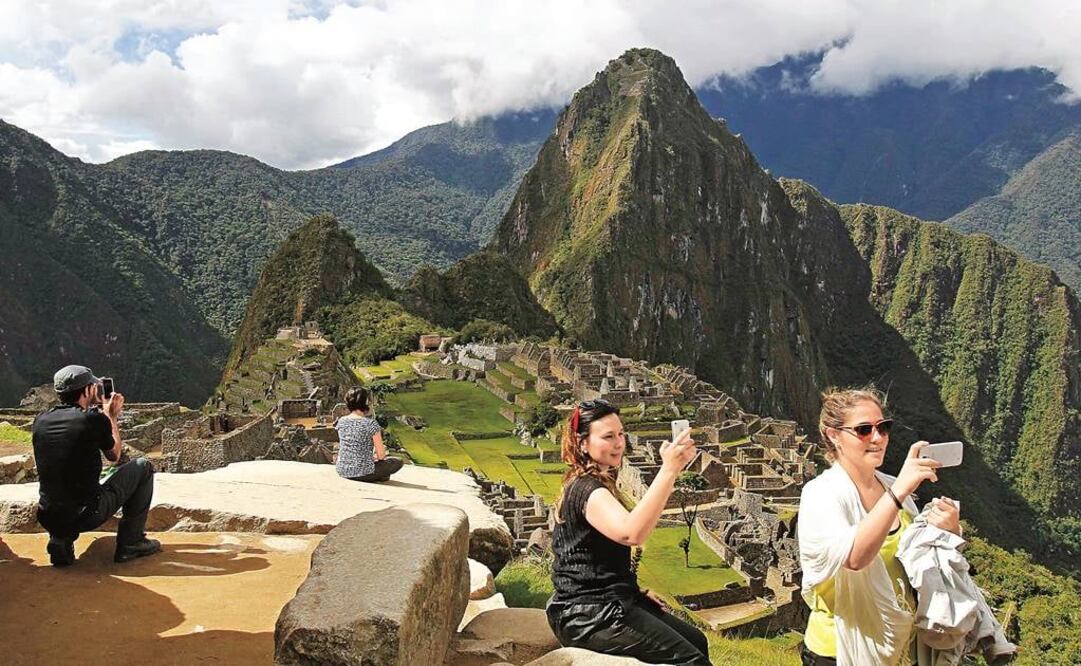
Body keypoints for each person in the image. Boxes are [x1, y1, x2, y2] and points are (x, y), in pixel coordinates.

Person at [798, 387, 961, 666]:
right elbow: (854, 557)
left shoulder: (890, 486)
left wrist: (947, 531)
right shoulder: (821, 494)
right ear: (833, 435)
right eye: (863, 430)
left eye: (883, 427)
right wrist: (898, 492)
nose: (877, 438)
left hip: (899, 648)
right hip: (839, 651)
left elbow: (917, 559)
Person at [545, 399, 711, 666]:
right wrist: (669, 469)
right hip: (589, 615)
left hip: (606, 601)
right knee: (691, 661)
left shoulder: (593, 482)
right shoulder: (589, 490)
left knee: (698, 641)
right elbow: (632, 533)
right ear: (583, 443)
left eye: (620, 434)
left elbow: (595, 560)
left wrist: (632, 592)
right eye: (608, 436)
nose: (619, 442)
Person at [32, 365, 161, 567]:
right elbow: (115, 456)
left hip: (47, 514)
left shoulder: (41, 420)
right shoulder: (92, 419)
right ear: (88, 390)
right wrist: (111, 416)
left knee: (66, 490)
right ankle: (131, 543)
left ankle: (61, 539)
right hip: (87, 513)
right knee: (143, 466)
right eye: (93, 385)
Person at [335, 387, 402, 482]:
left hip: (342, 469)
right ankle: (378, 476)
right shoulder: (371, 424)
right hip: (363, 472)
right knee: (397, 462)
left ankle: (379, 475)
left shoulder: (341, 421)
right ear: (365, 403)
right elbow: (381, 455)